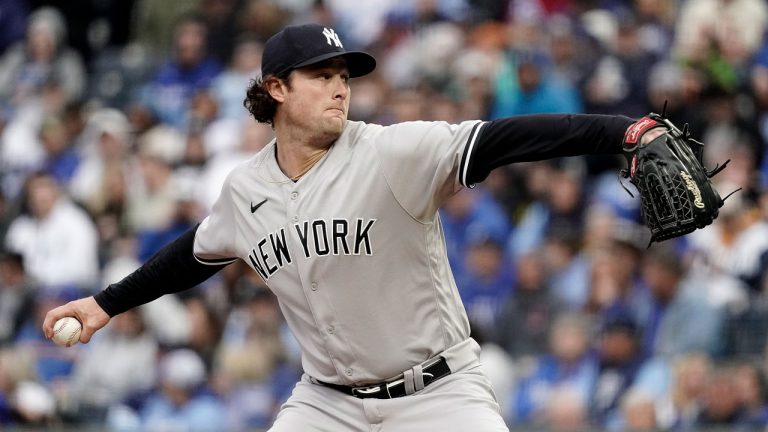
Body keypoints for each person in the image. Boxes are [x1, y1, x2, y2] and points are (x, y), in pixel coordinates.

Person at [42, 23, 666, 431]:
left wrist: (622, 131)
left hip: (439, 396)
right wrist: (105, 303)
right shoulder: (246, 189)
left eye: (345, 76)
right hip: (327, 403)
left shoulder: (392, 153)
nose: (341, 88)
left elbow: (511, 140)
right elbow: (193, 255)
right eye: (322, 76)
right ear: (276, 88)